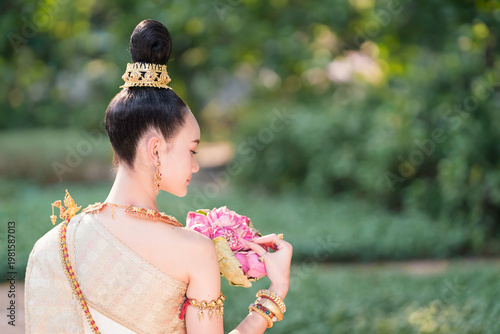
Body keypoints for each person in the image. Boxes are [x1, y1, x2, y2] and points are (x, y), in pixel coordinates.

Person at [24, 19, 293, 334]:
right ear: (155, 150)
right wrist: (274, 295)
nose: (195, 165)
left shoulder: (53, 245)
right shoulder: (193, 250)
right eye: (192, 151)